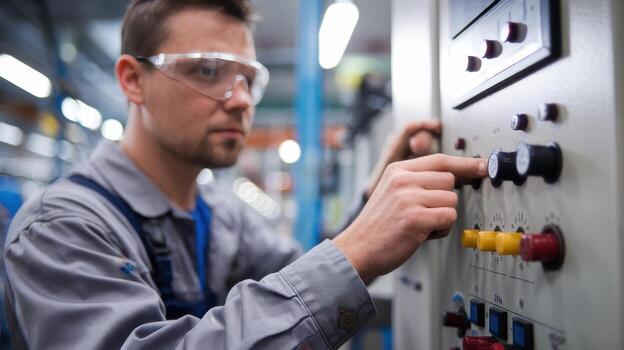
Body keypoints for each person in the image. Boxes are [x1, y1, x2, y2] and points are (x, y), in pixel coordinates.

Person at [3, 0, 487, 349]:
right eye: (208, 71)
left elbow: (308, 276)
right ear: (133, 80)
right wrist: (354, 252)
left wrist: (374, 199)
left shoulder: (221, 213)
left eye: (248, 80)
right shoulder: (63, 226)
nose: (239, 100)